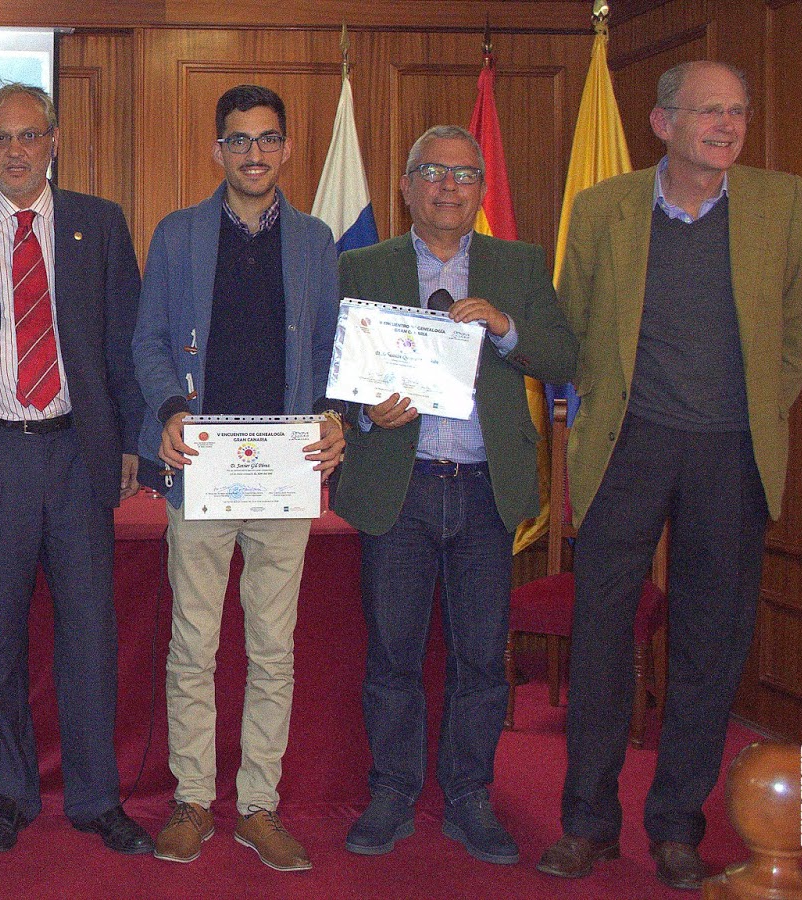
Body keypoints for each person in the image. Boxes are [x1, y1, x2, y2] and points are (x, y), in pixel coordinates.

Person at [539, 60, 802, 892]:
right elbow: (575, 323)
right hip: (627, 446)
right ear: (663, 124)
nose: (727, 126)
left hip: (731, 452)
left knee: (709, 642)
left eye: (738, 111)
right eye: (709, 112)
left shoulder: (783, 202)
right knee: (601, 635)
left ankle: (675, 826)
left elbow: (798, 332)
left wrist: (755, 408)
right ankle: (587, 824)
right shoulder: (604, 209)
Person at [0, 82, 152, 856]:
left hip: (78, 453)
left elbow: (123, 343)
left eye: (28, 135)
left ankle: (96, 799)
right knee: (0, 638)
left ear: (52, 140)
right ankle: (5, 796)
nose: (14, 151)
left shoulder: (99, 222)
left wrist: (129, 442)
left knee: (90, 636)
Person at [331, 125, 578, 867]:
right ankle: (393, 791)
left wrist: (504, 327)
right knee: (393, 654)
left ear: (481, 189)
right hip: (397, 487)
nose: (449, 186)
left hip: (483, 489)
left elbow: (564, 356)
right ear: (406, 186)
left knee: (480, 659)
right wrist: (363, 413)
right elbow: (327, 370)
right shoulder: (361, 265)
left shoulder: (517, 263)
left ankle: (470, 796)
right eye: (433, 172)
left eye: (465, 174)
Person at [133, 84, 346, 873]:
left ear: (285, 149)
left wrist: (332, 416)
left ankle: (258, 805)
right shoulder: (179, 234)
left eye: (267, 139)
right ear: (217, 150)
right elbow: (150, 341)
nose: (254, 154)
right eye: (238, 140)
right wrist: (168, 408)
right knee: (193, 644)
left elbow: (328, 350)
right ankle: (193, 798)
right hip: (203, 470)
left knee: (273, 649)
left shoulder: (316, 241)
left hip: (284, 473)